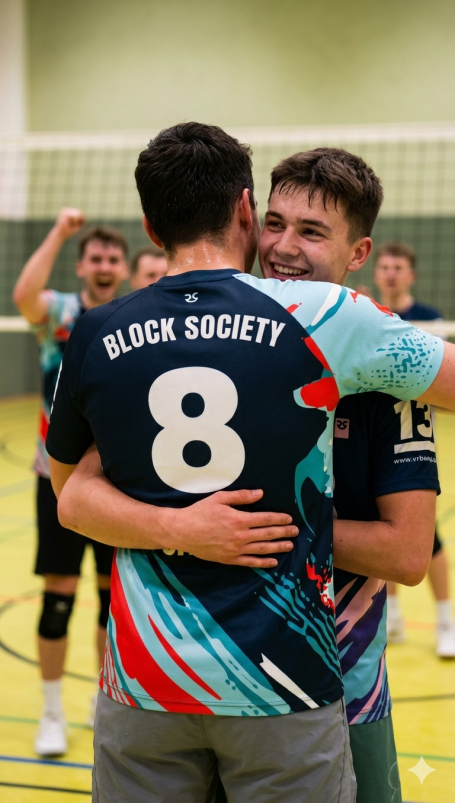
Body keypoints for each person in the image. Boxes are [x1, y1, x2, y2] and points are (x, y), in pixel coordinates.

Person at [46, 124, 455, 803]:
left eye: (311, 232)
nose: (285, 247)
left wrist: (192, 522)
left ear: (149, 227)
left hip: (202, 683)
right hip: (278, 687)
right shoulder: (332, 317)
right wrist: (197, 526)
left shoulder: (99, 327)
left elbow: (71, 493)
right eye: (273, 222)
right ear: (244, 212)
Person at [12, 210, 129, 756]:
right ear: (82, 265)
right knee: (58, 597)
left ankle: (104, 702)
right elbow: (23, 295)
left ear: (124, 269)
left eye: (112, 259)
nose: (104, 267)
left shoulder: (131, 320)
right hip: (53, 479)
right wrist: (59, 232)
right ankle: (52, 711)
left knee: (113, 603)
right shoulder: (60, 313)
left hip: (112, 482)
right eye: (96, 258)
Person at [374, 240, 455, 657]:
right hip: (373, 439)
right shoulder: (368, 315)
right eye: (384, 266)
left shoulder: (429, 320)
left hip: (413, 440)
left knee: (430, 538)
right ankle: (393, 616)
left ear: (411, 275)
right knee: (380, 524)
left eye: (397, 267)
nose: (389, 273)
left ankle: (446, 620)